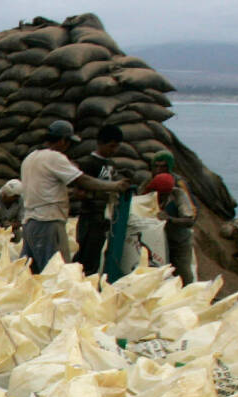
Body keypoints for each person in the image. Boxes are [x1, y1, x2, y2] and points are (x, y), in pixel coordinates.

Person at [19, 120, 128, 273]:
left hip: (31, 221)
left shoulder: (30, 158)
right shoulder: (55, 157)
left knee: (30, 272)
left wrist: (71, 194)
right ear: (63, 140)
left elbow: (45, 189)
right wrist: (114, 186)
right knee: (57, 273)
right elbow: (82, 180)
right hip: (48, 221)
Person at [73, 124, 135, 275]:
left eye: (116, 147)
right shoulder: (89, 163)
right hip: (90, 217)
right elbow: (78, 192)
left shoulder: (110, 165)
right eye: (111, 146)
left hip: (104, 218)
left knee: (96, 256)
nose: (113, 150)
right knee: (85, 257)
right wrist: (98, 195)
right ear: (100, 143)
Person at [140, 152, 196, 285]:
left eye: (163, 167)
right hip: (154, 241)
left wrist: (170, 219)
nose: (159, 170)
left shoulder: (178, 190)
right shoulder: (148, 185)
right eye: (156, 166)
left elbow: (190, 220)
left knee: (182, 274)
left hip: (177, 240)